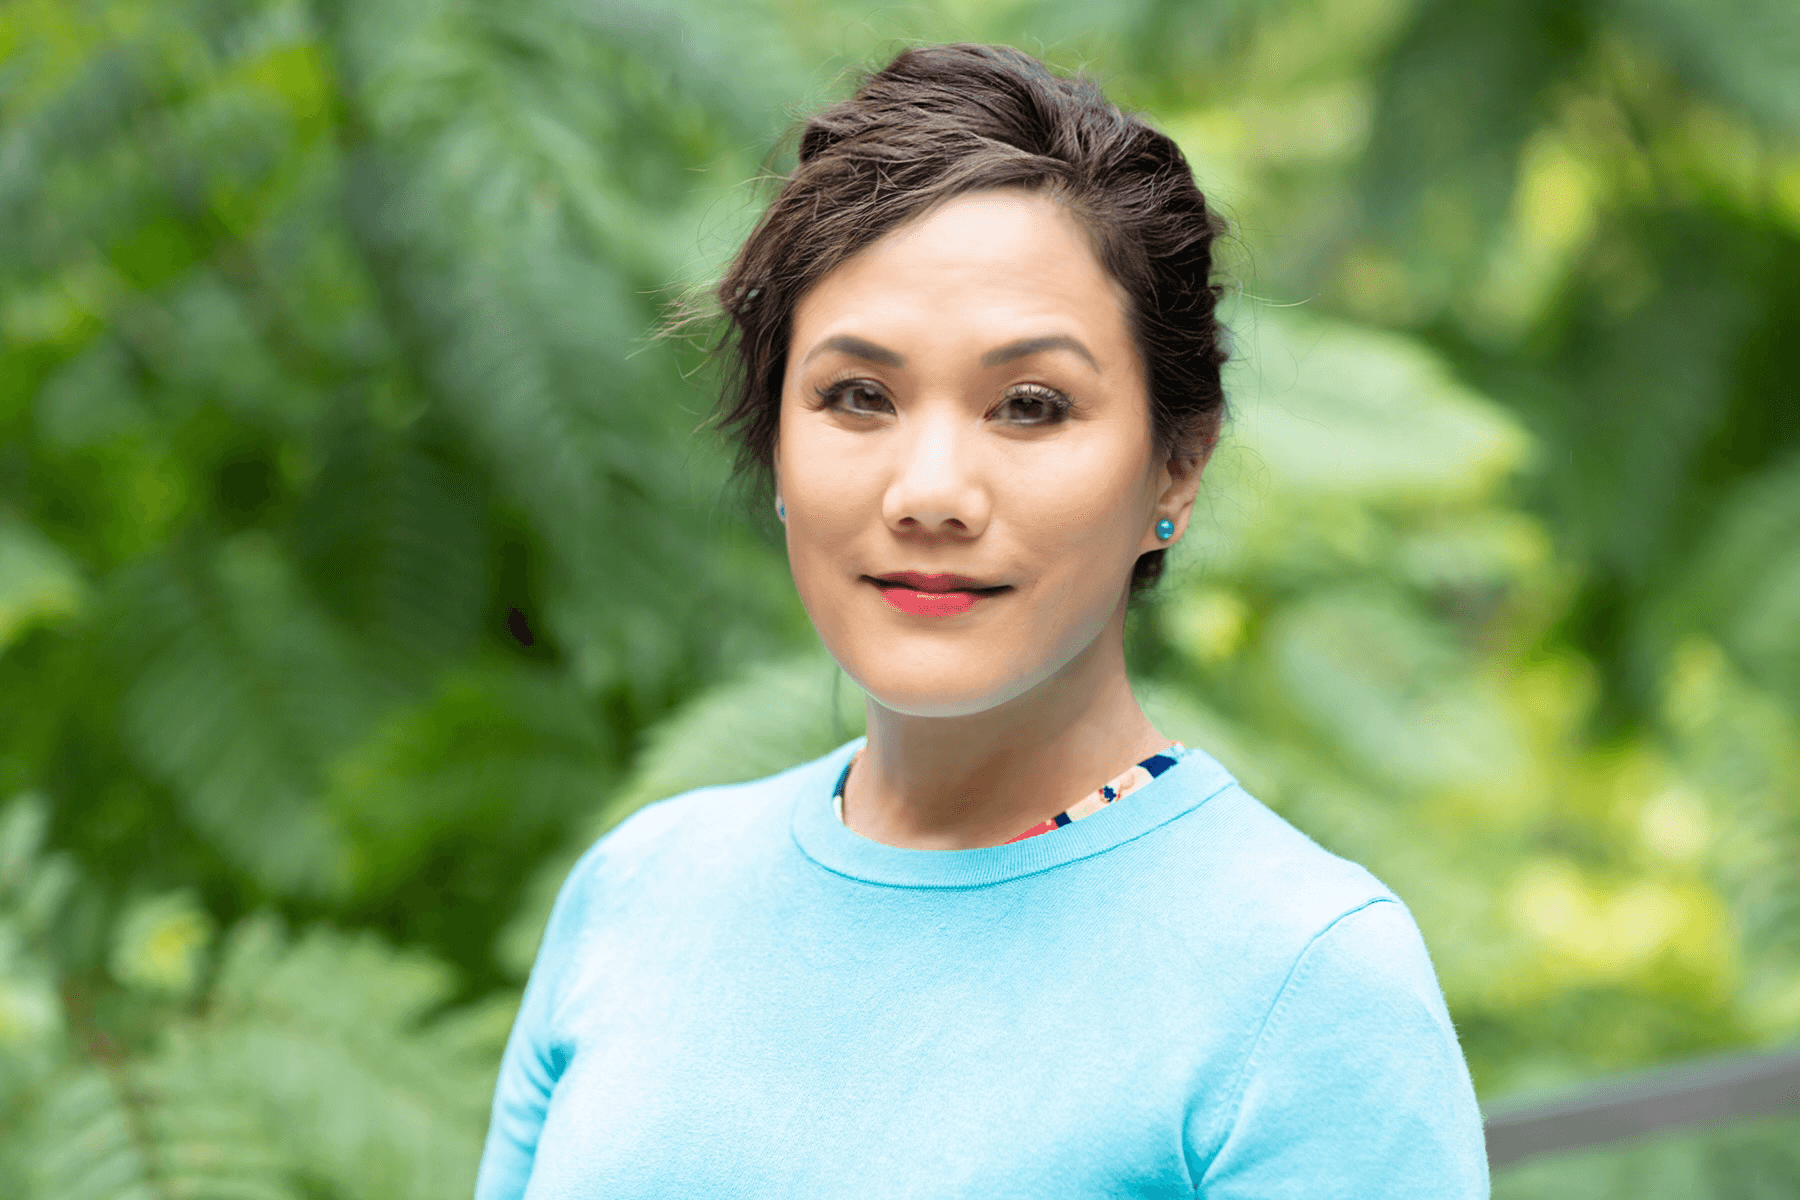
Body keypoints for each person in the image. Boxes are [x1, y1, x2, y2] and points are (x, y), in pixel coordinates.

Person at [475, 42, 1489, 1199]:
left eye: (1030, 406)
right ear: (779, 445)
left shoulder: (1304, 986)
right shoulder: (638, 894)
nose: (930, 493)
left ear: (1176, 466)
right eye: (859, 395)